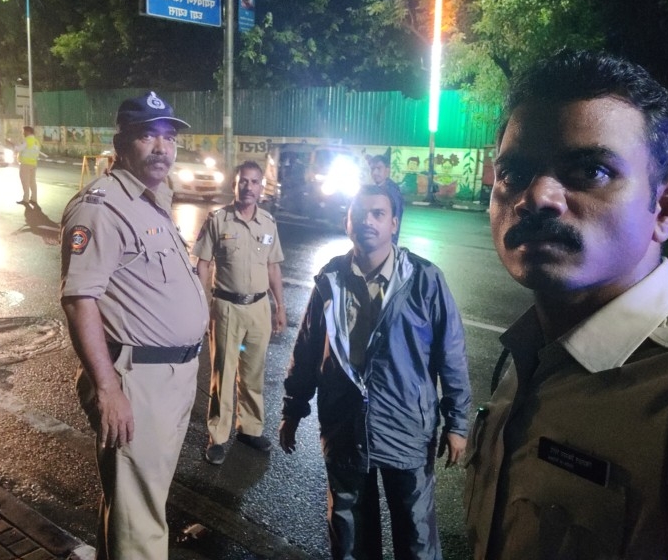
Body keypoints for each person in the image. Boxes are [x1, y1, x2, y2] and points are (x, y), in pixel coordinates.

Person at [464, 49, 668, 560]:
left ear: (665, 210)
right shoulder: (533, 351)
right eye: (513, 172)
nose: (536, 197)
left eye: (591, 169)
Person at [279, 184, 471, 559]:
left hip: (406, 428)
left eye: (378, 213)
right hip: (344, 425)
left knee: (416, 535)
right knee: (350, 535)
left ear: (394, 223)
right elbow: (306, 349)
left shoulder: (424, 279)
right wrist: (292, 408)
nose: (367, 220)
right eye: (359, 213)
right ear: (347, 222)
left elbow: (451, 353)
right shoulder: (330, 279)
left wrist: (457, 423)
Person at [60, 91, 209, 560]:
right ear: (121, 144)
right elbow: (79, 300)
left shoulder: (151, 200)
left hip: (169, 377)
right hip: (136, 380)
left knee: (133, 505)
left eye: (169, 137)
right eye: (148, 136)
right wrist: (108, 389)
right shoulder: (100, 207)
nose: (162, 147)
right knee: (140, 520)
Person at [193, 160, 286, 465]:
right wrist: (201, 304)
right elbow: (203, 264)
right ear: (234, 185)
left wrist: (280, 307)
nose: (248, 187)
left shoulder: (268, 223)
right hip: (226, 307)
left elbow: (273, 268)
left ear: (262, 187)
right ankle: (218, 436)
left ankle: (250, 429)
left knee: (253, 373)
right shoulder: (218, 220)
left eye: (254, 182)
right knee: (223, 373)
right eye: (243, 181)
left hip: (259, 308)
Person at [369, 154, 404, 244]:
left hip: (385, 243)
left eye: (379, 168)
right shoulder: (378, 188)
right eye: (372, 169)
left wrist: (390, 246)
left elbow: (395, 219)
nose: (375, 173)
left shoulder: (392, 191)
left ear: (387, 170)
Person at [15, 126, 41, 207]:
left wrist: (14, 146)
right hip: (33, 164)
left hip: (25, 164)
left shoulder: (27, 140)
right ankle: (34, 198)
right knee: (32, 182)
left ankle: (25, 199)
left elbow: (19, 149)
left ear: (28, 131)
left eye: (24, 131)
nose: (23, 133)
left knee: (25, 182)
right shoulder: (36, 141)